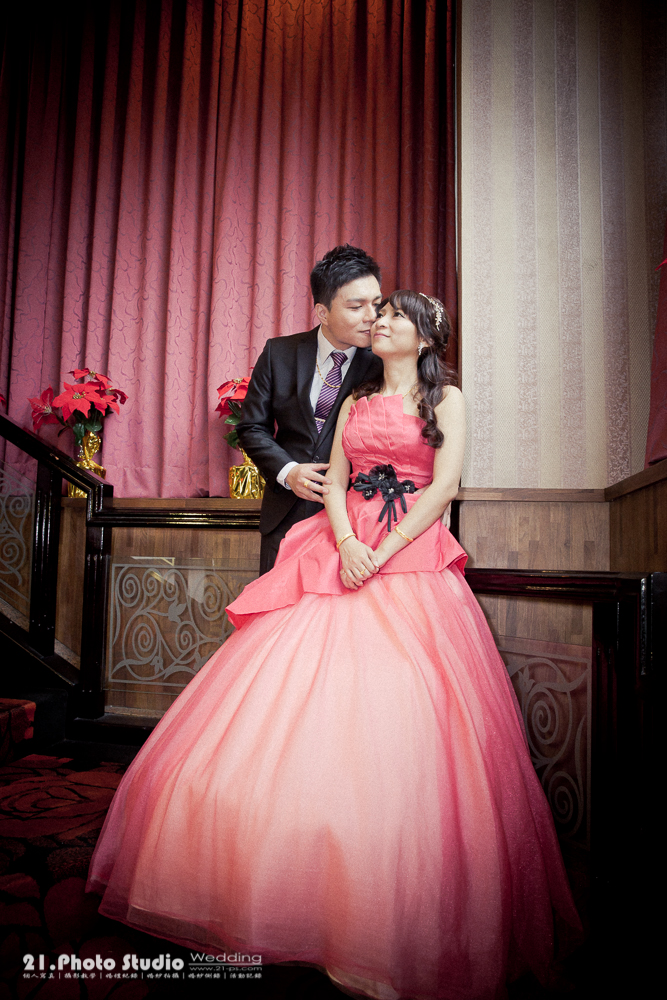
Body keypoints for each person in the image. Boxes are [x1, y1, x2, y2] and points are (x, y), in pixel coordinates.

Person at [87, 290, 581, 1000]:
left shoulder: (447, 401)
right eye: (378, 314)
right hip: (340, 547)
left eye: (395, 316)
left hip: (408, 553)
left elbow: (444, 487)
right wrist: (348, 543)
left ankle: (375, 931)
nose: (381, 322)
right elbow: (338, 482)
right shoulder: (354, 402)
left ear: (425, 336)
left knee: (400, 720)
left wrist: (383, 551)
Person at [238, 243, 383, 573]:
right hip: (286, 513)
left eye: (376, 304)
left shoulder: (384, 362)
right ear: (323, 312)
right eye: (356, 306)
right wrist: (289, 472)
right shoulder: (279, 353)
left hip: (356, 521)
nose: (372, 317)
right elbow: (252, 427)